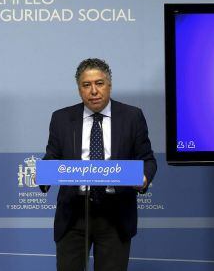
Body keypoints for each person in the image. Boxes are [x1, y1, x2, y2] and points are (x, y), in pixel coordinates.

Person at [40, 58, 157, 271]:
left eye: (99, 83)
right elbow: (52, 156)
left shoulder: (132, 116)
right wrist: (45, 174)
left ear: (109, 85)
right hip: (73, 215)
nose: (94, 90)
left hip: (115, 214)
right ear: (79, 90)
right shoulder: (61, 118)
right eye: (87, 85)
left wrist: (144, 178)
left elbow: (147, 158)